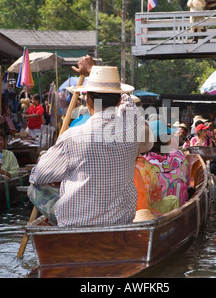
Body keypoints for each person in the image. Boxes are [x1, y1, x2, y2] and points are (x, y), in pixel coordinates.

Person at [28, 56, 144, 227]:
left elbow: (37, 176)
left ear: (88, 100)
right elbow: (128, 103)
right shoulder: (132, 128)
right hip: (120, 221)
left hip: (76, 222)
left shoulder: (72, 136)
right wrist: (94, 70)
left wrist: (54, 169)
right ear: (118, 100)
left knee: (34, 188)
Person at [145, 119, 190, 206]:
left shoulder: (143, 163)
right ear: (168, 140)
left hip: (156, 210)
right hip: (181, 204)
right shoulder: (180, 156)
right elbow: (187, 182)